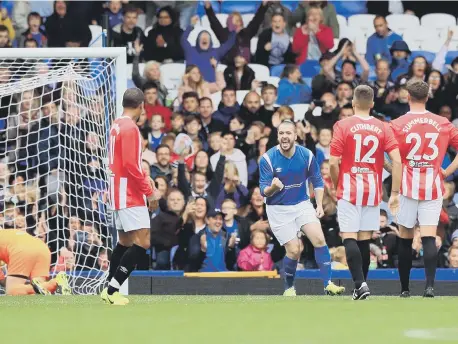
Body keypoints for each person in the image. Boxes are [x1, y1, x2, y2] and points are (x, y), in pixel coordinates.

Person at [329, 85, 402, 300]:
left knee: (349, 237)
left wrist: (336, 184)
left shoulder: (343, 125)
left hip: (350, 188)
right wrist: (395, 191)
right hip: (372, 189)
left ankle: (360, 284)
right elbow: (396, 161)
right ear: (372, 104)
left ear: (352, 102)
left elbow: (333, 162)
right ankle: (361, 286)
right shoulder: (383, 127)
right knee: (363, 239)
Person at [259, 120, 345, 296]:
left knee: (319, 240)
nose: (284, 136)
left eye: (288, 133)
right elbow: (264, 191)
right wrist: (273, 188)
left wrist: (319, 204)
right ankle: (289, 287)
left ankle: (328, 284)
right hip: (278, 209)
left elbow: (317, 181)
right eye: (281, 133)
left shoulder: (306, 155)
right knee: (294, 250)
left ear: (295, 135)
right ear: (278, 136)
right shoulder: (267, 158)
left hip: (301, 204)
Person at [390, 79, 458, 298]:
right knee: (429, 237)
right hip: (432, 186)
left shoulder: (398, 123)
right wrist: (447, 172)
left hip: (407, 186)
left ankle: (404, 288)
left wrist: (393, 170)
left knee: (405, 237)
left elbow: (387, 153)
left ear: (408, 96)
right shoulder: (443, 123)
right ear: (428, 97)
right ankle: (429, 287)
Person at [102, 88, 161, 306]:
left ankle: (108, 286)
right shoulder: (131, 128)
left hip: (117, 191)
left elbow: (127, 162)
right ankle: (112, 290)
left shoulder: (116, 125)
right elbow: (131, 164)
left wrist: (145, 176)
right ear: (142, 106)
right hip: (129, 193)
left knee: (125, 241)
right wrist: (149, 190)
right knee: (143, 242)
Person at [0, 229, 71, 295]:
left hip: (21, 249)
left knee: (11, 292)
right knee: (39, 291)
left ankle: (52, 283)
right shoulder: (7, 232)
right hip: (42, 248)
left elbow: (2, 280)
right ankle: (56, 282)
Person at [181, 16, 236, 83]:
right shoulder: (190, 50)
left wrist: (234, 30)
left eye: (207, 37)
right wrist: (191, 25)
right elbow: (183, 39)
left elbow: (229, 44)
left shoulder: (216, 52)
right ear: (197, 41)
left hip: (209, 87)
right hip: (192, 86)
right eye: (202, 37)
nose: (204, 38)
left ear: (210, 42)